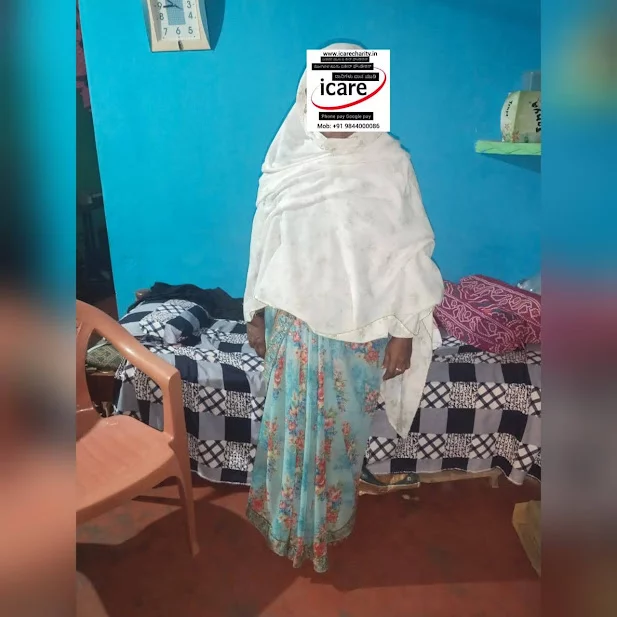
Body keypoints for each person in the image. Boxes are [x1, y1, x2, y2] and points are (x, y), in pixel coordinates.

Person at [243, 43, 444, 572]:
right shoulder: (286, 163)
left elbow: (409, 254)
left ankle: (327, 526)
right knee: (288, 431)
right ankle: (285, 524)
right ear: (307, 97)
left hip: (357, 332)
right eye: (326, 94)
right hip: (292, 323)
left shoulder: (390, 164)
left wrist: (403, 333)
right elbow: (263, 245)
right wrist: (254, 313)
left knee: (338, 437)